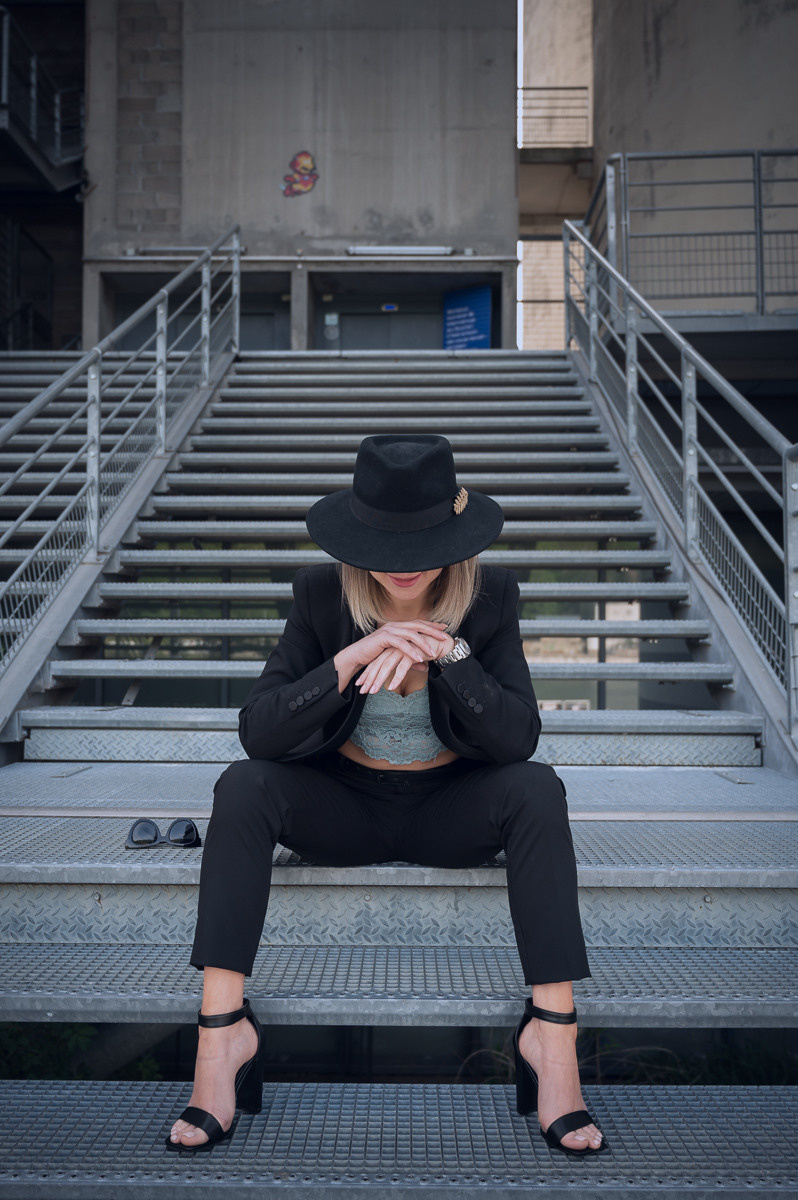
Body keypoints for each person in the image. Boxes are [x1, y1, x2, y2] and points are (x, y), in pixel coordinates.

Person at [166, 434, 608, 1159]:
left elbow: (518, 737)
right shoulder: (319, 594)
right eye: (386, 546)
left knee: (537, 788)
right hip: (344, 808)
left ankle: (551, 1036)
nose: (404, 567)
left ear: (456, 537)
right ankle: (222, 1037)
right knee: (242, 785)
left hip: (447, 809)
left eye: (424, 545)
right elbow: (260, 733)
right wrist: (350, 658)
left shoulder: (491, 598)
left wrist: (450, 655)